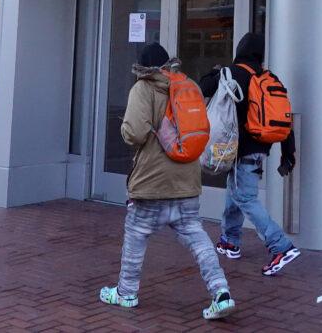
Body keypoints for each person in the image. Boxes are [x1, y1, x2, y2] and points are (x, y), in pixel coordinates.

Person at [98, 43, 236, 321]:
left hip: (152, 182)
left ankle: (126, 293)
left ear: (142, 68)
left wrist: (125, 127)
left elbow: (134, 134)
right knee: (198, 239)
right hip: (186, 182)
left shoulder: (143, 88)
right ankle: (221, 292)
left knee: (135, 237)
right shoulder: (188, 86)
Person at [199, 32, 301, 276]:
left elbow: (203, 86)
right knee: (235, 190)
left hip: (239, 149)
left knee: (245, 197)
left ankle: (280, 246)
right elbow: (284, 118)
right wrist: (288, 153)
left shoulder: (233, 73)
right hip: (260, 150)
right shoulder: (269, 77)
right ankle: (230, 240)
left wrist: (216, 72)